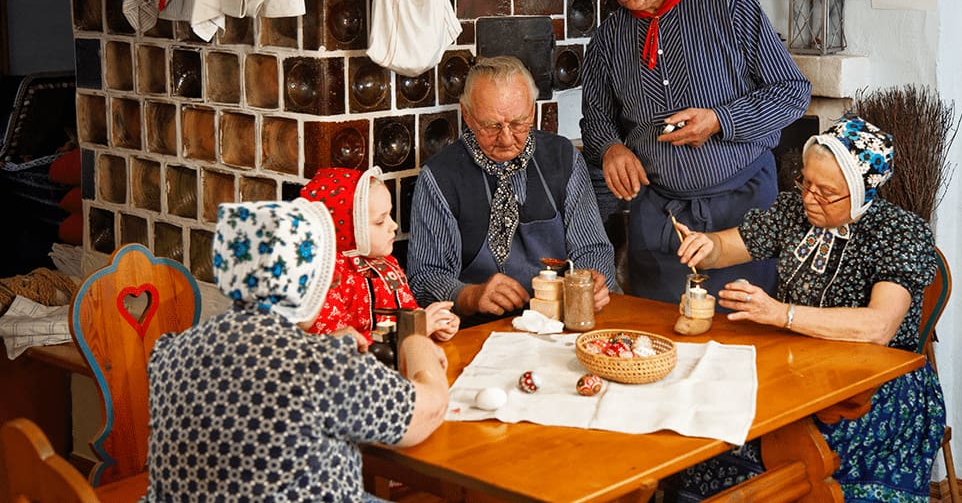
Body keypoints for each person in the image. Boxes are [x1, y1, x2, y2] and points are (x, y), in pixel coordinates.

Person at [669, 116, 945, 502]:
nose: (809, 198)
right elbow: (728, 247)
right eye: (806, 182)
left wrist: (782, 314)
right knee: (709, 412)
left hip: (875, 382)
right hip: (797, 364)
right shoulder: (793, 212)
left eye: (827, 192)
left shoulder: (898, 232)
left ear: (861, 191)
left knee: (809, 434)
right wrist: (706, 246)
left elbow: (879, 326)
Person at [143, 198, 450, 502]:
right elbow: (427, 412)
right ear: (305, 282)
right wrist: (416, 342)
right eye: (326, 276)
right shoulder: (323, 366)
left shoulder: (170, 353)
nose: (332, 283)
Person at [580, 0, 811, 305]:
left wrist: (721, 120)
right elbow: (596, 120)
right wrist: (611, 149)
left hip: (745, 215)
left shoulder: (730, 5)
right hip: (661, 218)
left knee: (746, 330)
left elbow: (792, 92)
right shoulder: (608, 38)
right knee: (657, 332)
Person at [407, 55, 619, 325]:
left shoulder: (563, 158)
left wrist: (593, 283)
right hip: (481, 328)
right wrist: (470, 296)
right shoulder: (440, 177)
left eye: (518, 123)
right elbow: (425, 277)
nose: (506, 139)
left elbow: (592, 248)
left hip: (564, 319)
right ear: (467, 115)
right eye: (491, 126)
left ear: (532, 111)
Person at [301, 166, 459, 346]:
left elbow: (410, 314)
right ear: (347, 229)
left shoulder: (386, 264)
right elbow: (336, 348)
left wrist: (436, 325)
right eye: (380, 221)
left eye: (389, 215)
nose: (394, 225)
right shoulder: (326, 280)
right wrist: (416, 329)